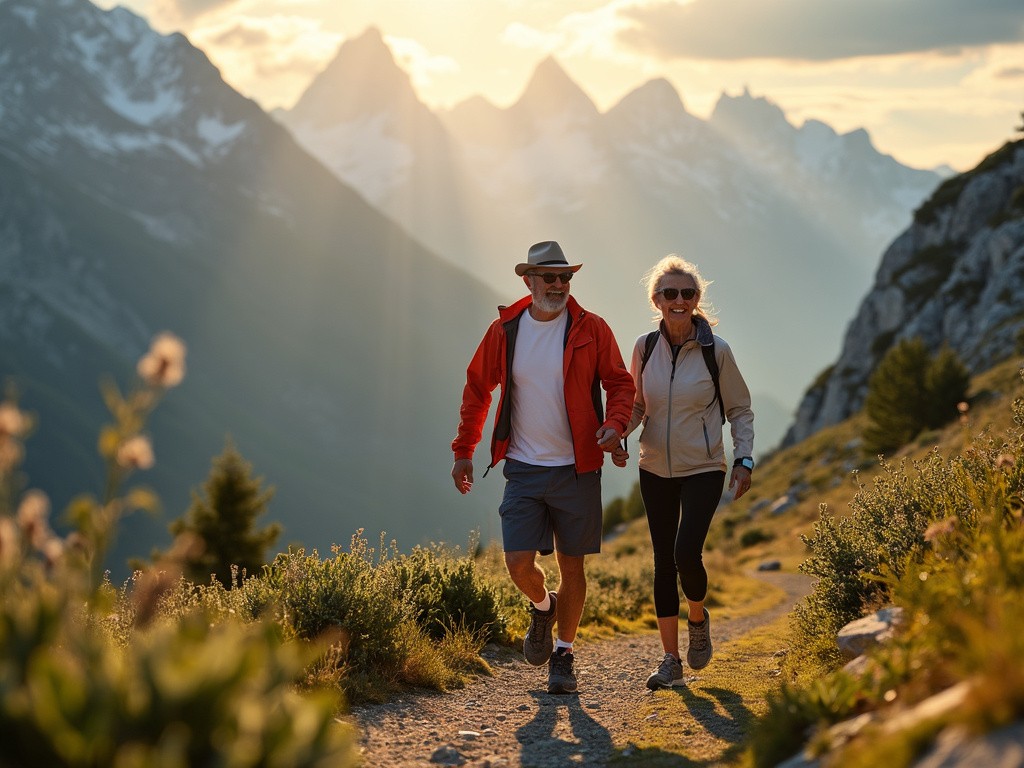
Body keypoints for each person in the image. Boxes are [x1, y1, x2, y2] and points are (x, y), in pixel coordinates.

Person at [451, 241, 635, 695]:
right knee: (517, 563)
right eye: (549, 277)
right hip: (524, 467)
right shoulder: (505, 330)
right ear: (528, 280)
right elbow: (478, 389)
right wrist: (463, 451)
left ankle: (564, 655)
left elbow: (619, 383)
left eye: (565, 277)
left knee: (574, 568)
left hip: (578, 468)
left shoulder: (592, 329)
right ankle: (541, 605)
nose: (558, 285)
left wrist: (615, 426)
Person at [612, 254, 754, 690]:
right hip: (654, 467)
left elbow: (740, 409)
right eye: (669, 293)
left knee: (685, 553)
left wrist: (744, 459)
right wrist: (619, 432)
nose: (678, 300)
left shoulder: (717, 351)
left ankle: (697, 618)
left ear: (696, 299)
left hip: (704, 467)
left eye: (687, 293)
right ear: (656, 299)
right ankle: (670, 659)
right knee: (661, 561)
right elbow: (636, 403)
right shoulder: (644, 346)